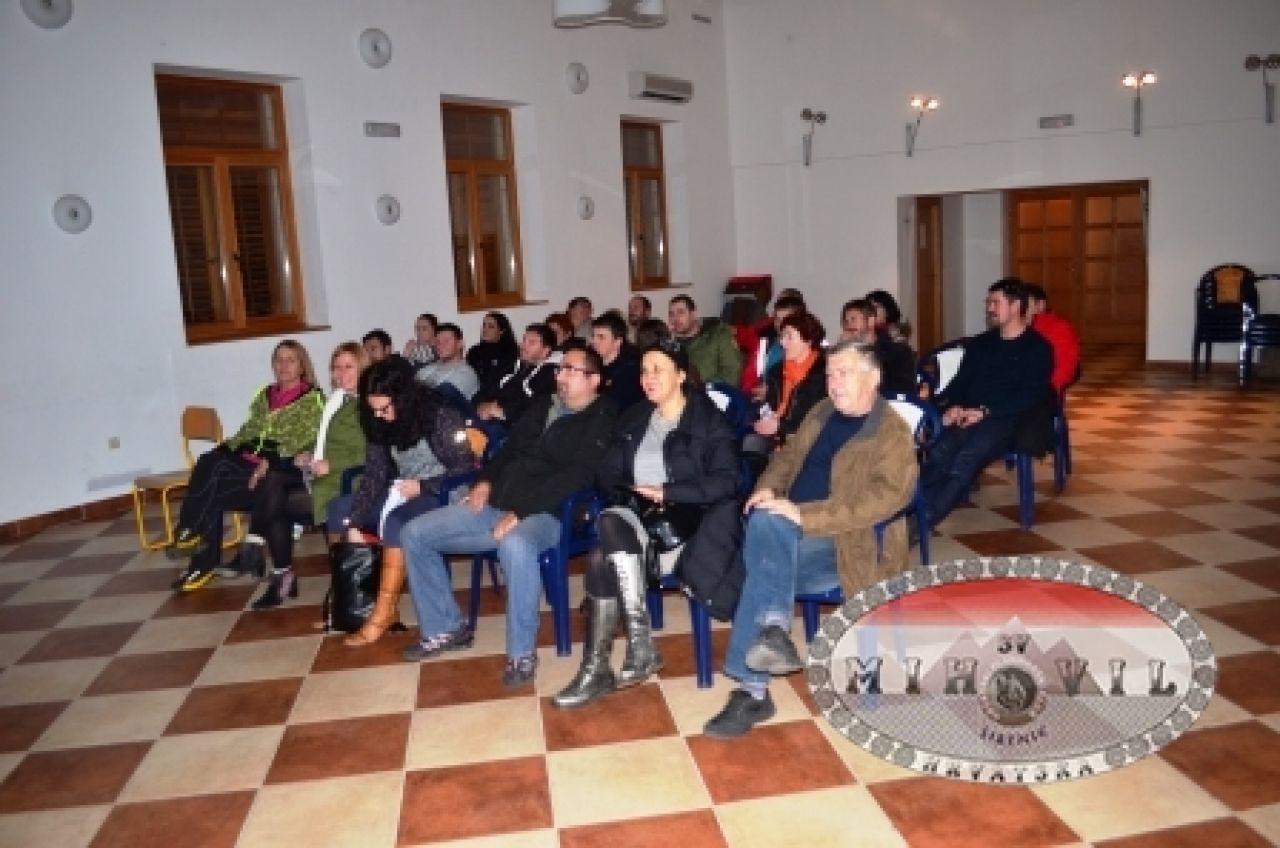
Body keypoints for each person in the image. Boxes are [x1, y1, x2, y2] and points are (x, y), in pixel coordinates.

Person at [704, 341, 918, 738]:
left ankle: (754, 687)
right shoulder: (821, 412)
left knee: (761, 552)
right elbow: (786, 459)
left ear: (873, 377)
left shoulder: (891, 433)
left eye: (844, 374)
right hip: (790, 533)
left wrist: (804, 515)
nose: (833, 383)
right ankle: (773, 629)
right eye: (830, 374)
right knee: (766, 530)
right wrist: (768, 487)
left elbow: (887, 499)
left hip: (848, 543)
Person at [400, 346, 618, 686]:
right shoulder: (543, 405)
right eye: (560, 369)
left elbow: (576, 477)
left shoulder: (602, 418)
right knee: (414, 533)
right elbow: (508, 451)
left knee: (515, 545)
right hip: (500, 502)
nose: (559, 376)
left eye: (569, 370)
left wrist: (521, 512)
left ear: (594, 380)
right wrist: (485, 482)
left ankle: (521, 653)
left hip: (551, 513)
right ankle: (446, 629)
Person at [553, 341, 740, 708]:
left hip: (686, 533)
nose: (648, 378)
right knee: (612, 523)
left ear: (681, 375)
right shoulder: (635, 418)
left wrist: (668, 492)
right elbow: (607, 472)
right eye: (643, 371)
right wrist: (633, 495)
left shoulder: (708, 422)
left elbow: (728, 481)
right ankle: (634, 650)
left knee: (601, 556)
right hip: (635, 524)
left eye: (658, 370)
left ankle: (601, 668)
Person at [329, 358, 476, 646]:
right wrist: (355, 520)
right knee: (338, 510)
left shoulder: (439, 414)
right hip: (404, 488)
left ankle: (384, 612)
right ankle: (350, 601)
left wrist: (423, 485)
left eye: (385, 408)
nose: (380, 416)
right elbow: (375, 474)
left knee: (397, 523)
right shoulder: (377, 419)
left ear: (402, 398)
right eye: (374, 410)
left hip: (444, 490)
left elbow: (465, 467)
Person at [168, 340, 324, 591]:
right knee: (209, 462)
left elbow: (303, 441)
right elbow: (247, 432)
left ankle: (195, 546)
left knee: (211, 488)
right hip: (246, 464)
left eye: (290, 360)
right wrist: (224, 449)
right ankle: (192, 540)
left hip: (279, 473)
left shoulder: (313, 399)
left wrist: (268, 462)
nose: (283, 365)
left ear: (302, 366)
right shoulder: (265, 394)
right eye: (278, 360)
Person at [919, 278, 1052, 532]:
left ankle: (920, 523)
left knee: (966, 458)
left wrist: (985, 411)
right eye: (988, 302)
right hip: (971, 414)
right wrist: (948, 407)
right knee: (941, 450)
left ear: (1016, 306)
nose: (989, 308)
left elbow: (1030, 396)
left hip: (1008, 418)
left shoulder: (1037, 348)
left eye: (995, 302)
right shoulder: (981, 344)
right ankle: (906, 511)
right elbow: (959, 384)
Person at [243, 342, 370, 609]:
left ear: (362, 368)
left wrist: (331, 463)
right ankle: (271, 564)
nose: (341, 373)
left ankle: (266, 559)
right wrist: (307, 452)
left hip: (347, 479)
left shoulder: (368, 403)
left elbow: (369, 451)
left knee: (275, 497)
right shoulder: (337, 400)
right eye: (337, 367)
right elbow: (325, 439)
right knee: (274, 481)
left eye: (349, 367)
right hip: (321, 472)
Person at [751, 312, 828, 447]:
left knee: (752, 443)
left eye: (789, 336)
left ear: (808, 340)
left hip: (803, 441)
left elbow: (817, 422)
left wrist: (780, 427)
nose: (782, 342)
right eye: (782, 336)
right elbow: (770, 406)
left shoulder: (823, 376)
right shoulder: (777, 371)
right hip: (776, 434)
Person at [472, 323, 558, 425]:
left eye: (531, 342)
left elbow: (536, 409)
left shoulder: (550, 375)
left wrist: (503, 412)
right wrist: (481, 406)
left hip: (515, 427)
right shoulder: (506, 364)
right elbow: (482, 392)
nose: (523, 346)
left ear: (545, 351)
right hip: (485, 420)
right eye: (524, 340)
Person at [844, 297, 916, 398]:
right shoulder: (845, 352)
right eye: (846, 322)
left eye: (853, 319)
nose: (849, 326)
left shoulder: (898, 351)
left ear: (871, 321)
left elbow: (904, 390)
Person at [740, 294, 806, 401]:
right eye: (777, 319)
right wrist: (751, 392)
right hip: (756, 401)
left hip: (783, 404)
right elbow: (749, 377)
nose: (780, 324)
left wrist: (771, 393)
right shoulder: (765, 344)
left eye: (785, 319)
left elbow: (801, 389)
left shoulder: (805, 351)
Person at [669, 294, 743, 385]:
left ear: (693, 314)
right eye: (671, 314)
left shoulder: (718, 335)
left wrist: (703, 388)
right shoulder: (670, 344)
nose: (675, 318)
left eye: (681, 312)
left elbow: (732, 373)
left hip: (713, 391)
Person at [1024, 283, 1081, 394]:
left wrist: (1050, 391)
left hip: (1046, 386)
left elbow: (1062, 368)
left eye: (1025, 305)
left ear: (1041, 305)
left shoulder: (1058, 328)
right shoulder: (1015, 326)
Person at [590, 313, 643, 411]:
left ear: (617, 342)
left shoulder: (630, 372)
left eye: (601, 337)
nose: (594, 342)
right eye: (593, 336)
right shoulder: (591, 364)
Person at [413, 322, 479, 401]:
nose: (440, 345)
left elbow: (443, 400)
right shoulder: (428, 368)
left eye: (446, 341)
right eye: (438, 342)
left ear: (460, 344)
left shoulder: (466, 374)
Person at [465, 311, 518, 393]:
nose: (485, 329)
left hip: (503, 393)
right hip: (476, 393)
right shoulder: (474, 351)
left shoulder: (511, 351)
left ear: (501, 331)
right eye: (484, 325)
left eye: (491, 326)